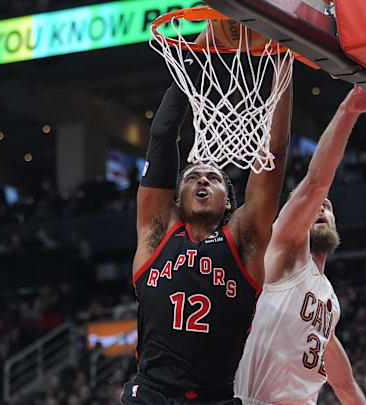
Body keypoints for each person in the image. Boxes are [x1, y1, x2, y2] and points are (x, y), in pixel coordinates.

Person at [123, 24, 293, 404]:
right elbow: (163, 137)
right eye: (193, 177)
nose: (202, 180)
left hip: (215, 396)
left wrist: (283, 62)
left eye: (214, 178)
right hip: (151, 393)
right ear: (178, 199)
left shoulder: (243, 240)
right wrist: (194, 63)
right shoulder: (156, 233)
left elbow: (273, 156)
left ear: (229, 203)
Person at [234, 85, 366, 404]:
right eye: (315, 207)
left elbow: (345, 386)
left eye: (328, 208)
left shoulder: (327, 303)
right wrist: (348, 110)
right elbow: (316, 183)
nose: (322, 206)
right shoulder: (282, 248)